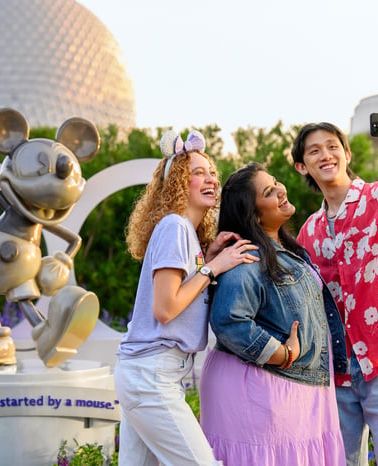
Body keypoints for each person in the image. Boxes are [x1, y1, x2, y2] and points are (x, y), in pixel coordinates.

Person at [113, 129, 258, 465]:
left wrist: (207, 260)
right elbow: (166, 309)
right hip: (152, 376)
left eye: (211, 173)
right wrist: (215, 267)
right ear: (179, 183)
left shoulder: (185, 234)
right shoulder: (175, 227)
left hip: (149, 373)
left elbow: (180, 293)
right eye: (197, 173)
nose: (209, 179)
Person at [292, 111, 378, 466]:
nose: (325, 155)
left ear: (347, 155)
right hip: (336, 371)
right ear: (302, 167)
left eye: (332, 147)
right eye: (314, 151)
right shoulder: (310, 231)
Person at [198, 162, 348, 465]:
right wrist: (280, 353)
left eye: (276, 182)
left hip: (293, 385)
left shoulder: (285, 250)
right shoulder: (249, 256)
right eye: (269, 191)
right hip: (266, 388)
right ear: (254, 214)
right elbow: (228, 319)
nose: (281, 189)